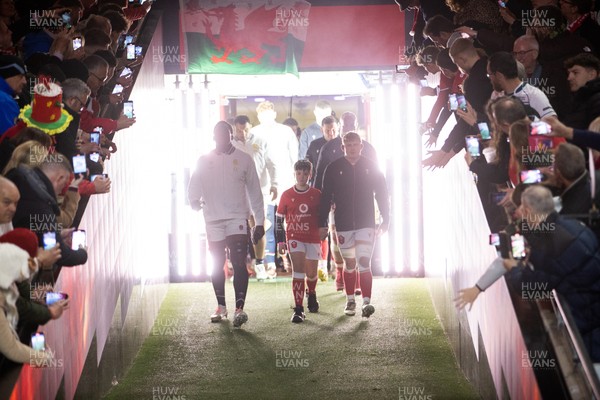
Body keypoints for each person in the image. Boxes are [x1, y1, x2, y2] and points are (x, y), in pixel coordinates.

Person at [187, 121, 265, 328]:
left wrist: (259, 222)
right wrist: (194, 201)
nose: (221, 137)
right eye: (218, 134)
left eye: (225, 133)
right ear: (213, 136)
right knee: (216, 263)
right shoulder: (204, 160)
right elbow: (193, 185)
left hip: (237, 218)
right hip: (213, 219)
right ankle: (221, 306)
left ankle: (240, 308)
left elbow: (255, 192)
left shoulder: (244, 159)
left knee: (239, 262)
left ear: (230, 135)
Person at [318, 132, 389, 318]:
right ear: (343, 148)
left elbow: (382, 193)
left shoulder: (372, 166)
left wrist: (386, 219)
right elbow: (325, 197)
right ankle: (350, 300)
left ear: (361, 146)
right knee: (349, 263)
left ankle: (366, 302)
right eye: (348, 145)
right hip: (343, 223)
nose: (352, 148)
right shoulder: (333, 168)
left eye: (355, 145)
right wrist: (322, 223)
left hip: (367, 222)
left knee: (364, 262)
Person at [276, 160, 322, 323]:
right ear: (294, 174)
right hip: (294, 237)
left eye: (305, 173)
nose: (302, 177)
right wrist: (280, 241)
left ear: (310, 175)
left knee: (311, 274)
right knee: (298, 272)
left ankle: (312, 293)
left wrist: (326, 229)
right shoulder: (287, 195)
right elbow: (279, 219)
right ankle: (298, 309)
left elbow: (323, 216)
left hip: (313, 237)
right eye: (298, 173)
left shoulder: (317, 194)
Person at [232, 115, 277, 280]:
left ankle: (260, 265)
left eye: (245, 129)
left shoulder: (260, 141)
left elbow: (271, 164)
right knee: (237, 230)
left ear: (251, 127)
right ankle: (239, 267)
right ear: (234, 128)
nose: (242, 133)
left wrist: (275, 184)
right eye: (239, 130)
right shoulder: (230, 145)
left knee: (259, 226)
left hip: (259, 191)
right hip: (236, 193)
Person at [0, 54, 26, 136]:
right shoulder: (4, 101)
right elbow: (15, 138)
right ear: (8, 75)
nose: (24, 81)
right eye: (21, 76)